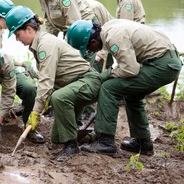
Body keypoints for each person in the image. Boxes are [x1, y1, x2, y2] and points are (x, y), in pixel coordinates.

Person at [66, 19, 182, 156]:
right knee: (132, 93)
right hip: (165, 61)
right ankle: (143, 142)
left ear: (93, 42)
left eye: (89, 48)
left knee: (109, 88)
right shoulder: (109, 28)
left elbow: (130, 70)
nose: (90, 51)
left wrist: (108, 74)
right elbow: (127, 62)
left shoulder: (113, 38)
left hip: (162, 66)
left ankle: (105, 141)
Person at [5, 6, 102, 162]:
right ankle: (81, 136)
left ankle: (72, 146)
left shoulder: (45, 44)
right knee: (56, 138)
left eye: (17, 34)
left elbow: (46, 82)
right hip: (75, 86)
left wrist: (35, 112)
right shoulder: (39, 44)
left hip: (88, 82)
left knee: (59, 98)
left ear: (29, 29)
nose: (17, 39)